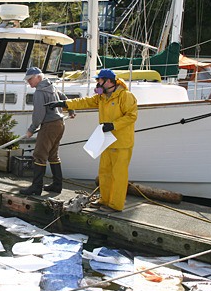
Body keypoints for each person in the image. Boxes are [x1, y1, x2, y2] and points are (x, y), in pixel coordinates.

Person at [63, 69, 138, 212]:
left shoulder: (125, 96)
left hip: (121, 143)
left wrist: (113, 125)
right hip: (106, 141)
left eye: (99, 80)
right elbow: (85, 102)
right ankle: (104, 200)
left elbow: (131, 116)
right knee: (104, 172)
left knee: (118, 175)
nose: (97, 83)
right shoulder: (102, 97)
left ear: (108, 81)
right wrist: (65, 104)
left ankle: (115, 205)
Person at [20, 66, 73, 197]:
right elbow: (63, 97)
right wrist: (71, 110)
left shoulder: (39, 91)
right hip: (60, 123)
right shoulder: (51, 86)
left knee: (39, 155)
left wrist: (31, 130)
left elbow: (39, 114)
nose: (29, 82)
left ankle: (36, 187)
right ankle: (57, 185)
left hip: (49, 125)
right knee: (53, 155)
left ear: (38, 77)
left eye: (30, 79)